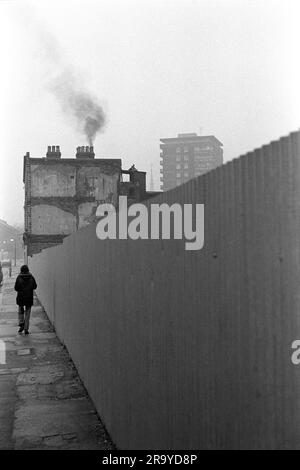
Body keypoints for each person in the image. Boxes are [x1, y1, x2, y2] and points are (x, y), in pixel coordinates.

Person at [14, 265, 37, 335]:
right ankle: (26, 328)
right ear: (28, 270)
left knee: (20, 311)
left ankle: (21, 323)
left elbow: (16, 288)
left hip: (21, 298)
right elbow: (35, 286)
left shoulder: (19, 277)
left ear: (21, 270)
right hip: (29, 298)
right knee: (27, 313)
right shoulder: (31, 277)